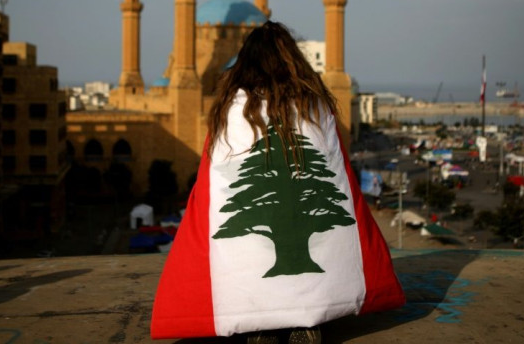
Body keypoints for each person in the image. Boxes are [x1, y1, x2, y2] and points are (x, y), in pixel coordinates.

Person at [151, 22, 404, 343]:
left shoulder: (231, 109)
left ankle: (263, 319)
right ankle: (305, 316)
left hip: (245, 278)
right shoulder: (316, 107)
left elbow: (210, 184)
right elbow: (342, 179)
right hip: (321, 276)